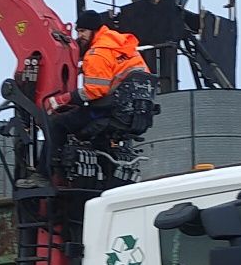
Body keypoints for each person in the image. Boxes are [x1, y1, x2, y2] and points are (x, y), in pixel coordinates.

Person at [43, 16, 156, 176]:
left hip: (113, 112)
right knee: (98, 138)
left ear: (94, 30)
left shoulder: (96, 53)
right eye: (78, 31)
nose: (79, 36)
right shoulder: (124, 47)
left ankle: (45, 174)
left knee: (57, 123)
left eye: (83, 31)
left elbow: (95, 90)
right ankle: (106, 176)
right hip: (135, 113)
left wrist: (61, 100)